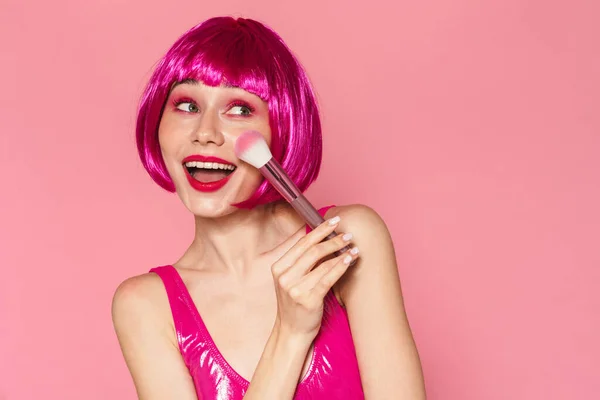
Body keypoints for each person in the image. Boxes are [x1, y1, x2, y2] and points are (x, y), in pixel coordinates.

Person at [112, 16, 426, 400]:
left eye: (240, 109)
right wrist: (290, 334)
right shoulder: (145, 306)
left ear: (281, 129)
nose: (205, 132)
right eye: (187, 104)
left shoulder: (345, 243)